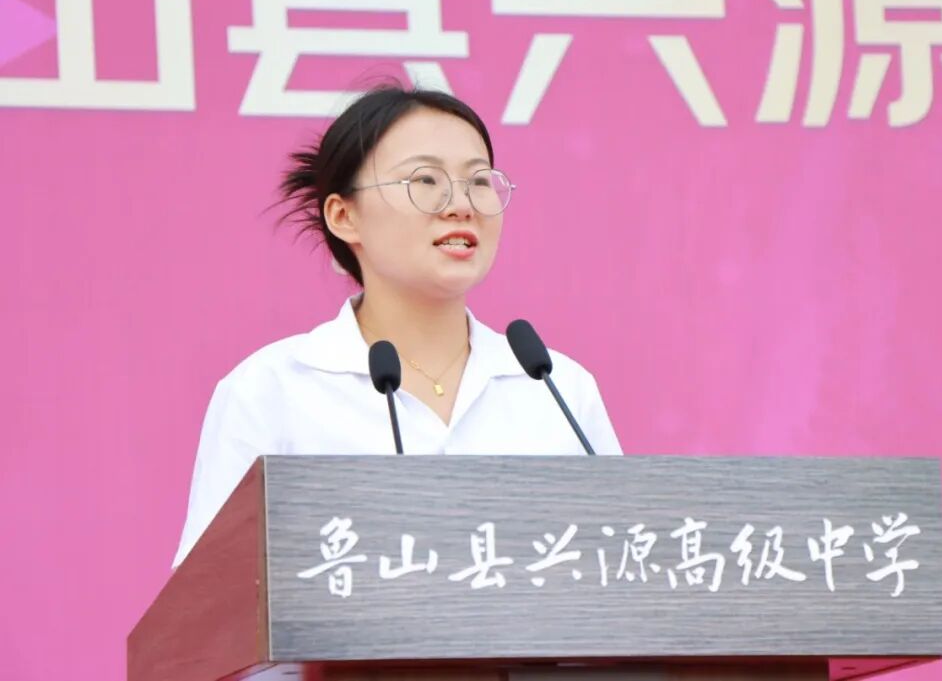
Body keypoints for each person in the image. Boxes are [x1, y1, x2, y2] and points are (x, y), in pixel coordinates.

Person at [172, 85, 622, 568]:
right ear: (344, 216)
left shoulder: (559, 389)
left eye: (478, 181)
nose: (461, 205)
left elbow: (625, 568)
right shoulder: (272, 389)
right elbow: (211, 597)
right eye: (425, 179)